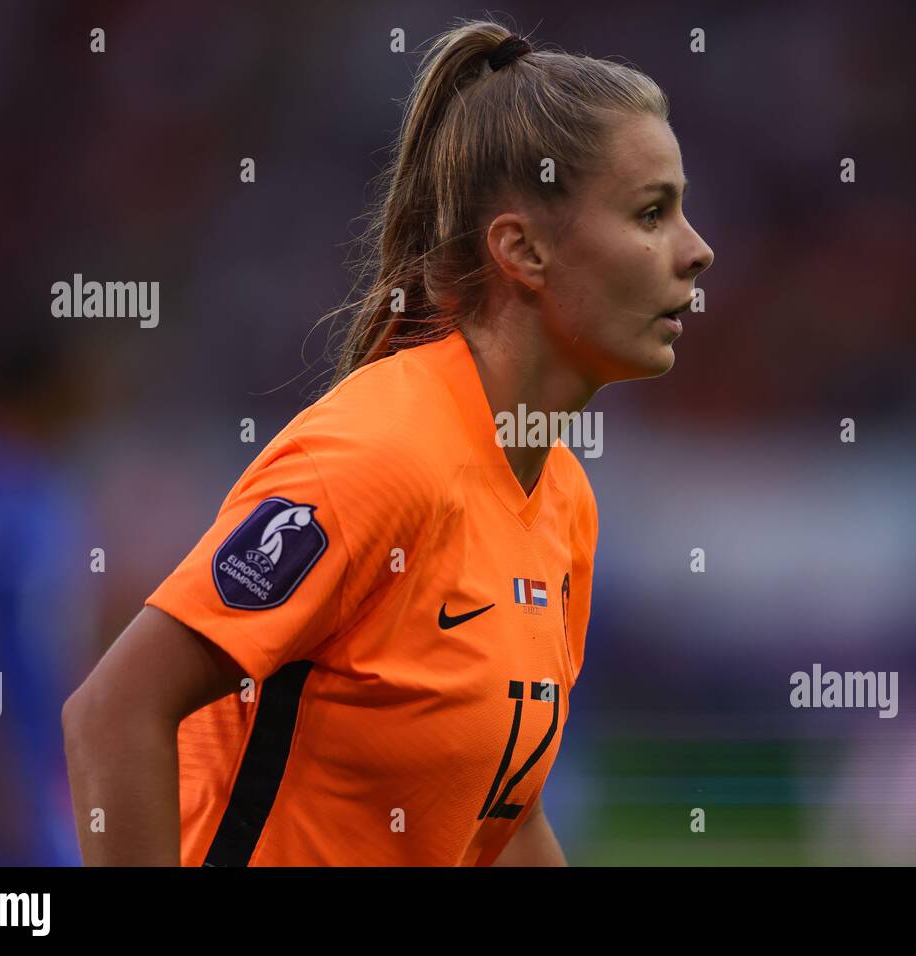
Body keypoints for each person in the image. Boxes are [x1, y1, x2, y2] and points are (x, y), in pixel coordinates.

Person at [62, 18, 713, 866]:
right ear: (522, 250)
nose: (696, 251)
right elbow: (114, 713)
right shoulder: (375, 458)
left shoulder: (563, 502)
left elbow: (504, 816)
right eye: (651, 213)